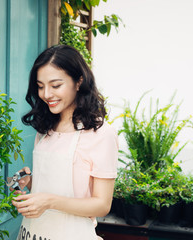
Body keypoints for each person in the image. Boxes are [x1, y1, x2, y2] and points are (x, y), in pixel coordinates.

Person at [12, 45, 118, 240]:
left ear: (79, 82)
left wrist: (49, 202)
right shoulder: (45, 129)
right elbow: (51, 189)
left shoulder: (101, 134)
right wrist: (30, 183)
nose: (46, 95)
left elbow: (102, 205)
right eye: (41, 86)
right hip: (33, 233)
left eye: (55, 85)